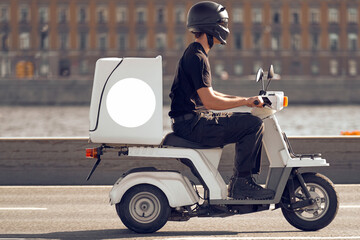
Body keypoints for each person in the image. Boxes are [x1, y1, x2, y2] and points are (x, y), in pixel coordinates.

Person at [168, 1, 275, 200]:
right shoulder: (198, 57)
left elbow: (213, 94)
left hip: (190, 122)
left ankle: (240, 182)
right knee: (252, 124)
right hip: (192, 125)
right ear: (212, 27)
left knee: (246, 119)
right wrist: (244, 101)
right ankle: (242, 183)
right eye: (223, 23)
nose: (226, 28)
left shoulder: (195, 53)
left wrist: (248, 100)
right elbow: (210, 103)